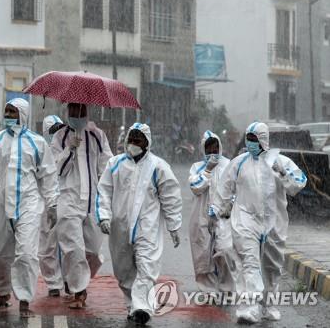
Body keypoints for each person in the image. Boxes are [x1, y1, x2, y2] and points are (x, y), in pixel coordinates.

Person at [0, 98, 59, 317]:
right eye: (6, 111)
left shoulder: (37, 143)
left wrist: (52, 203)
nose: (8, 115)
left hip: (28, 205)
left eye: (13, 112)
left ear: (23, 115)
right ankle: (3, 292)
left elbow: (48, 175)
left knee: (26, 254)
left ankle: (25, 299)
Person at [210, 122, 307, 323]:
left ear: (264, 140)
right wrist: (221, 209)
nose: (251, 143)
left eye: (255, 139)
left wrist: (283, 173)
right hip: (245, 220)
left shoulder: (281, 162)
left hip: (274, 223)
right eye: (249, 138)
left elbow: (298, 183)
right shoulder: (238, 163)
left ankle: (269, 304)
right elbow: (224, 188)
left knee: (272, 266)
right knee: (250, 262)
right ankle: (250, 307)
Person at [96, 123, 182, 325]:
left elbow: (170, 197)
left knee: (146, 267)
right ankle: (132, 305)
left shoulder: (158, 166)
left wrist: (174, 225)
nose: (133, 143)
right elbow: (104, 192)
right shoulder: (115, 164)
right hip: (120, 228)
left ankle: (142, 306)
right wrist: (104, 216)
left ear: (147, 142)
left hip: (147, 228)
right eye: (131, 139)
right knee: (123, 271)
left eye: (138, 140)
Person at [50, 103, 113, 308]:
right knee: (74, 249)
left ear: (87, 113)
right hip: (68, 200)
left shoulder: (97, 135)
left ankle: (75, 278)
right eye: (73, 111)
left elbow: (107, 165)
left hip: (92, 201)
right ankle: (79, 291)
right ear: (67, 112)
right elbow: (56, 170)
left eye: (81, 111)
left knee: (93, 251)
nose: (77, 115)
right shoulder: (59, 137)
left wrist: (110, 192)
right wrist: (70, 150)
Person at [189, 130, 239, 294]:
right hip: (201, 217)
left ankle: (227, 288)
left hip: (223, 217)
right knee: (202, 255)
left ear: (220, 147)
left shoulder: (229, 165)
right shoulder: (197, 168)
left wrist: (229, 205)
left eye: (215, 148)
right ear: (203, 148)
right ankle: (208, 290)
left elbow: (235, 189)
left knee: (225, 251)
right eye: (208, 148)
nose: (212, 152)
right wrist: (208, 170)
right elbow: (196, 188)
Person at [39, 115, 66, 297]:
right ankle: (53, 283)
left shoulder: (69, 147)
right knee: (47, 245)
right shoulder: (39, 150)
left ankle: (70, 279)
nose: (56, 133)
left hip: (66, 201)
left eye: (58, 129)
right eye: (52, 130)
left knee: (68, 244)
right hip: (45, 202)